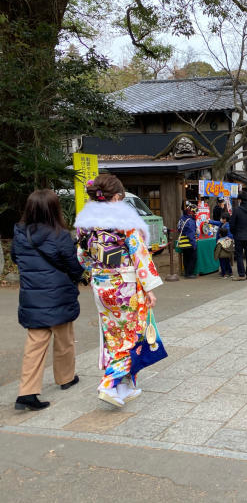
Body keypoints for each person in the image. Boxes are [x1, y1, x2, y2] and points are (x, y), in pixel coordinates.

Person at [75, 174, 163, 407]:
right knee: (132, 335)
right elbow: (139, 255)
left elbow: (82, 256)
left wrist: (98, 273)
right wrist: (149, 287)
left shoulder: (84, 223)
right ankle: (109, 383)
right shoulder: (124, 221)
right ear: (115, 198)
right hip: (125, 286)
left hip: (101, 286)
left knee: (113, 335)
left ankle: (124, 386)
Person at [11, 190, 83, 411]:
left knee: (34, 345)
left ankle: (27, 393)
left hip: (32, 297)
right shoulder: (60, 235)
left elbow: (15, 257)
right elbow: (73, 266)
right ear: (54, 209)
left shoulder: (20, 234)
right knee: (64, 340)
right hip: (59, 295)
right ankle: (66, 378)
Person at [230, 192, 247, 281]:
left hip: (238, 235)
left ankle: (241, 274)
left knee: (239, 255)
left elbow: (232, 224)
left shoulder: (237, 210)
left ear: (240, 200)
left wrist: (234, 232)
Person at [177, 204, 198, 279]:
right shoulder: (190, 221)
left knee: (186, 258)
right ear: (192, 212)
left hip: (183, 243)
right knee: (192, 258)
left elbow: (179, 229)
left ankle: (186, 273)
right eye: (195, 212)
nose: (196, 214)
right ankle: (190, 273)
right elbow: (191, 234)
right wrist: (194, 244)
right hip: (188, 243)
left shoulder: (182, 218)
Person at [211, 213, 233, 278]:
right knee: (227, 262)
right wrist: (209, 221)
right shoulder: (223, 224)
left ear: (225, 219)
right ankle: (230, 272)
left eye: (222, 218)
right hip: (227, 250)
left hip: (222, 252)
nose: (221, 219)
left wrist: (215, 256)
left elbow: (217, 250)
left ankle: (224, 273)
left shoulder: (227, 227)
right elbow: (217, 222)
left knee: (222, 263)